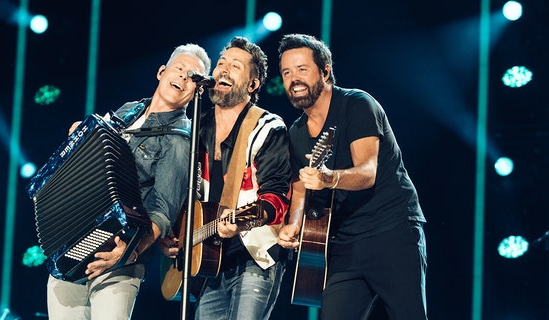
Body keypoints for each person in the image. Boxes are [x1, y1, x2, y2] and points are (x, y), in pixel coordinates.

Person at [46, 43, 212, 320]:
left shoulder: (181, 141)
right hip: (74, 244)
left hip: (118, 259)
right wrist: (80, 137)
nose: (183, 77)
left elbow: (162, 210)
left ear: (198, 91)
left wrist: (129, 252)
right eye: (179, 69)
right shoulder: (128, 111)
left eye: (192, 77)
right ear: (162, 72)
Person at [276, 33, 428, 320]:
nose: (293, 79)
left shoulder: (357, 104)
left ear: (325, 70)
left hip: (392, 231)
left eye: (302, 69)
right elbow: (298, 187)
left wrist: (328, 179)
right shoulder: (296, 132)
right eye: (286, 72)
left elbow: (367, 172)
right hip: (343, 243)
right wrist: (293, 224)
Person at [159, 36, 292, 320]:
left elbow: (277, 197)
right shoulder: (196, 127)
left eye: (235, 66)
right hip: (208, 262)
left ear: (252, 84)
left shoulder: (267, 128)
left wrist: (243, 219)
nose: (223, 70)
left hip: (253, 255)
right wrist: (174, 234)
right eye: (221, 63)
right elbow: (180, 191)